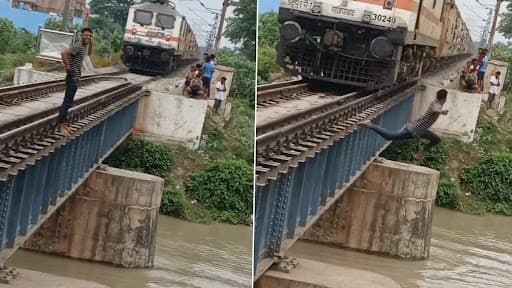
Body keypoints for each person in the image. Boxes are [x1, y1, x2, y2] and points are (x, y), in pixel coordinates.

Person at [358, 89, 449, 160]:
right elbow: (434, 109)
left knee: (436, 139)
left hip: (420, 130)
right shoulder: (436, 105)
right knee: (389, 136)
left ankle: (421, 153)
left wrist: (440, 111)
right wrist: (442, 112)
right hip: (413, 130)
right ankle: (369, 125)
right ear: (444, 99)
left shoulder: (435, 103)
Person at [56, 27, 93, 136]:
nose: (88, 37)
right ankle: (60, 126)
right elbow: (64, 53)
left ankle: (64, 124)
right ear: (82, 36)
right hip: (72, 77)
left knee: (69, 102)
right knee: (67, 102)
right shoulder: (78, 46)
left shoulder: (84, 47)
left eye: (90, 36)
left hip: (75, 78)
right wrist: (68, 67)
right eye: (86, 35)